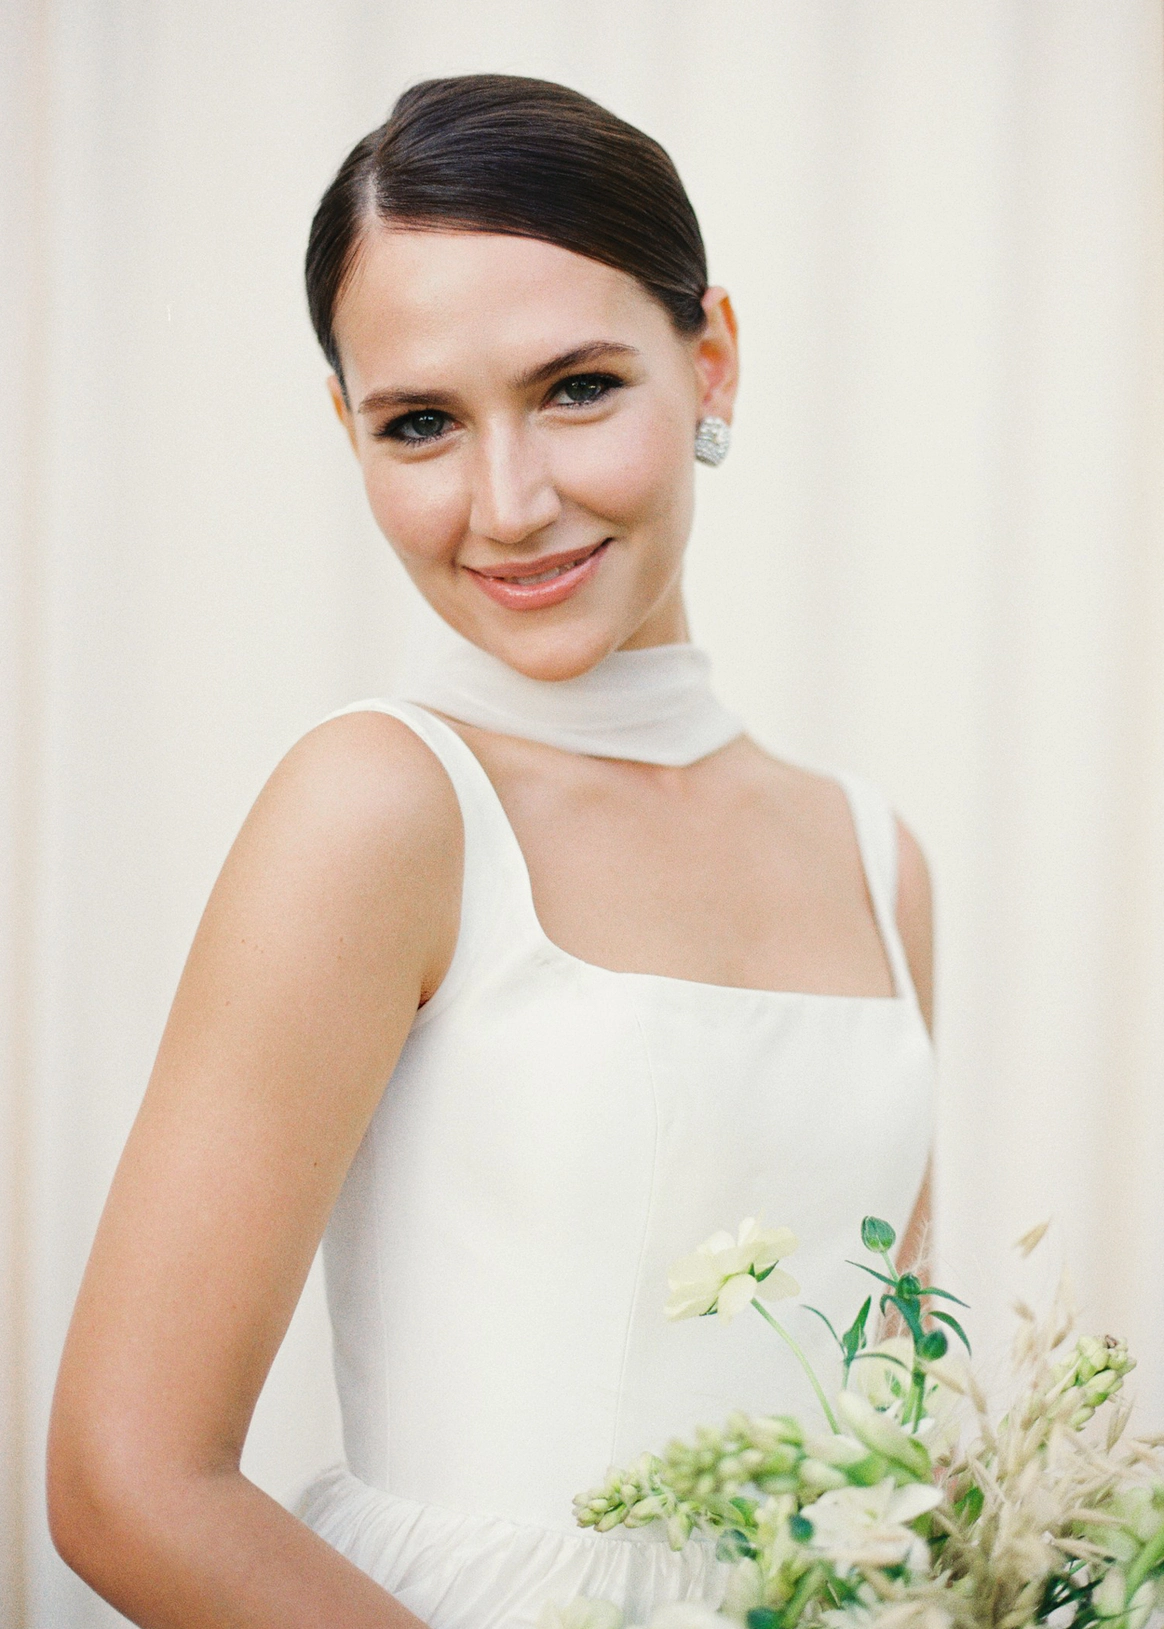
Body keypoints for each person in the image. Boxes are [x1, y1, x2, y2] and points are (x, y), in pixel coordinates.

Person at [47, 74, 934, 1629]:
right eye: (421, 424)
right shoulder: (381, 807)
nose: (510, 506)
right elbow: (127, 1486)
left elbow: (888, 1434)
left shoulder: (873, 856)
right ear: (349, 431)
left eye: (577, 388)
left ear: (712, 361)